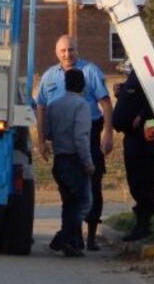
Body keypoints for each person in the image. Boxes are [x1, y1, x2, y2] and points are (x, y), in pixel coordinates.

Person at [35, 35, 113, 251]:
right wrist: (41, 140)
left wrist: (108, 133)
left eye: (71, 50)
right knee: (70, 193)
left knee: (92, 187)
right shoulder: (49, 76)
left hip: (88, 134)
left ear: (77, 50)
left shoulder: (90, 71)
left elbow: (105, 103)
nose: (67, 54)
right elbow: (41, 107)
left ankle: (89, 236)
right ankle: (71, 237)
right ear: (56, 52)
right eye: (63, 51)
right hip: (63, 140)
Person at [42, 68, 94, 257]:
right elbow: (81, 137)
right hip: (74, 160)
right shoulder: (82, 105)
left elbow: (47, 132)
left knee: (69, 203)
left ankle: (70, 242)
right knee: (83, 202)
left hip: (59, 159)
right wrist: (88, 162)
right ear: (82, 84)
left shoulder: (54, 104)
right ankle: (62, 238)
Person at [112, 69, 154, 242]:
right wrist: (121, 90)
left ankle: (144, 223)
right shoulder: (134, 73)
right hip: (131, 137)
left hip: (144, 139)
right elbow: (135, 95)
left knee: (144, 180)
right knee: (134, 181)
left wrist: (142, 115)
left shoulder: (152, 72)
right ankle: (140, 220)